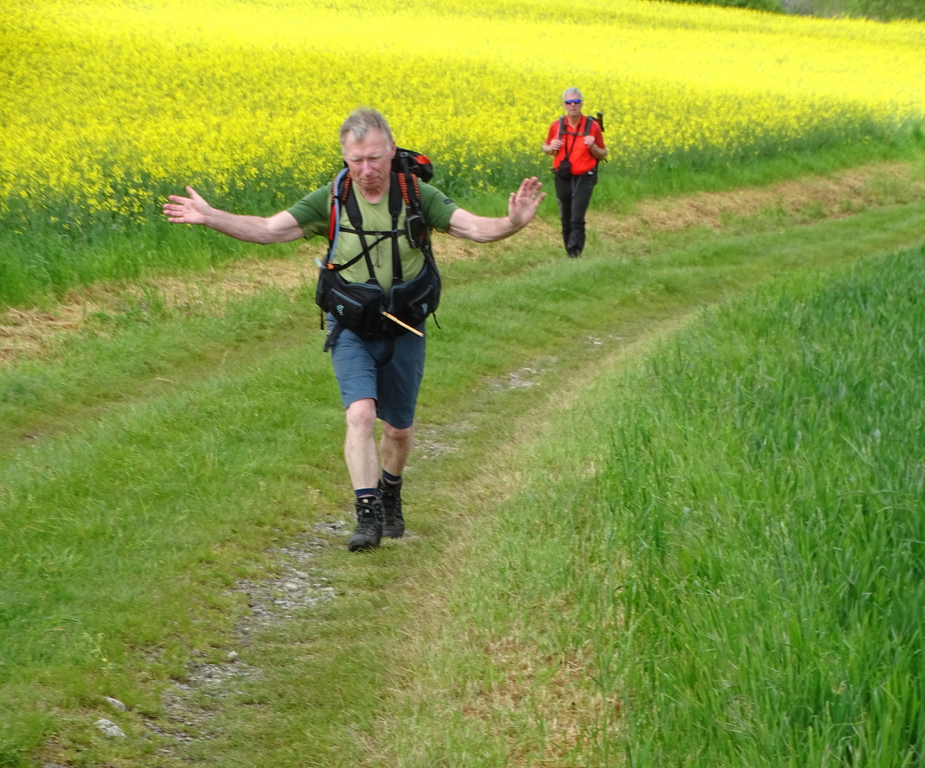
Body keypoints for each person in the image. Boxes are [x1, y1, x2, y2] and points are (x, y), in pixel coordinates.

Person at [163, 107, 544, 552]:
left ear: (392, 152)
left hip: (405, 324)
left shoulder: (417, 195)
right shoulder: (332, 198)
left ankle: (390, 491)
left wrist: (512, 223)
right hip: (349, 324)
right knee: (360, 414)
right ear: (345, 158)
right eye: (357, 160)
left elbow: (474, 228)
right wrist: (212, 216)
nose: (366, 170)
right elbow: (268, 229)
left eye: (375, 158)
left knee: (398, 430)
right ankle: (367, 515)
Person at [542, 87, 607, 258]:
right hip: (562, 176)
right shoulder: (557, 125)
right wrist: (551, 147)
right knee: (565, 218)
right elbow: (546, 148)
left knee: (577, 217)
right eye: (569, 102)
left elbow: (603, 154)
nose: (573, 105)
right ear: (564, 105)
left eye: (576, 102)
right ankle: (569, 251)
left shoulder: (592, 126)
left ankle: (574, 253)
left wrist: (593, 146)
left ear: (581, 104)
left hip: (585, 176)